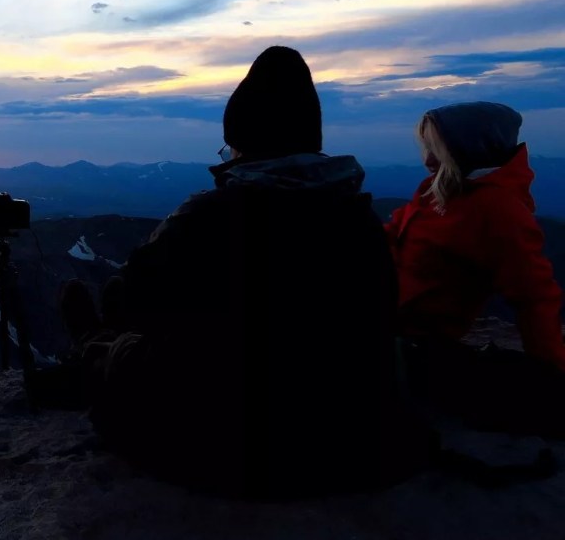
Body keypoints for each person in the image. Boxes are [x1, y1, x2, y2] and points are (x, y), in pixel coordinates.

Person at [38, 45, 434, 499]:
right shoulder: (358, 218)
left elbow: (143, 305)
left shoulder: (211, 217)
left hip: (234, 452)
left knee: (130, 351)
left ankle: (91, 345)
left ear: (242, 141)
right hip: (357, 449)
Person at [386, 101, 565, 436]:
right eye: (427, 148)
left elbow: (534, 297)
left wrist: (552, 374)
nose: (427, 160)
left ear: (470, 148)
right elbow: (395, 231)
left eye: (437, 149)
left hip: (410, 340)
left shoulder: (498, 211)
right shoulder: (436, 189)